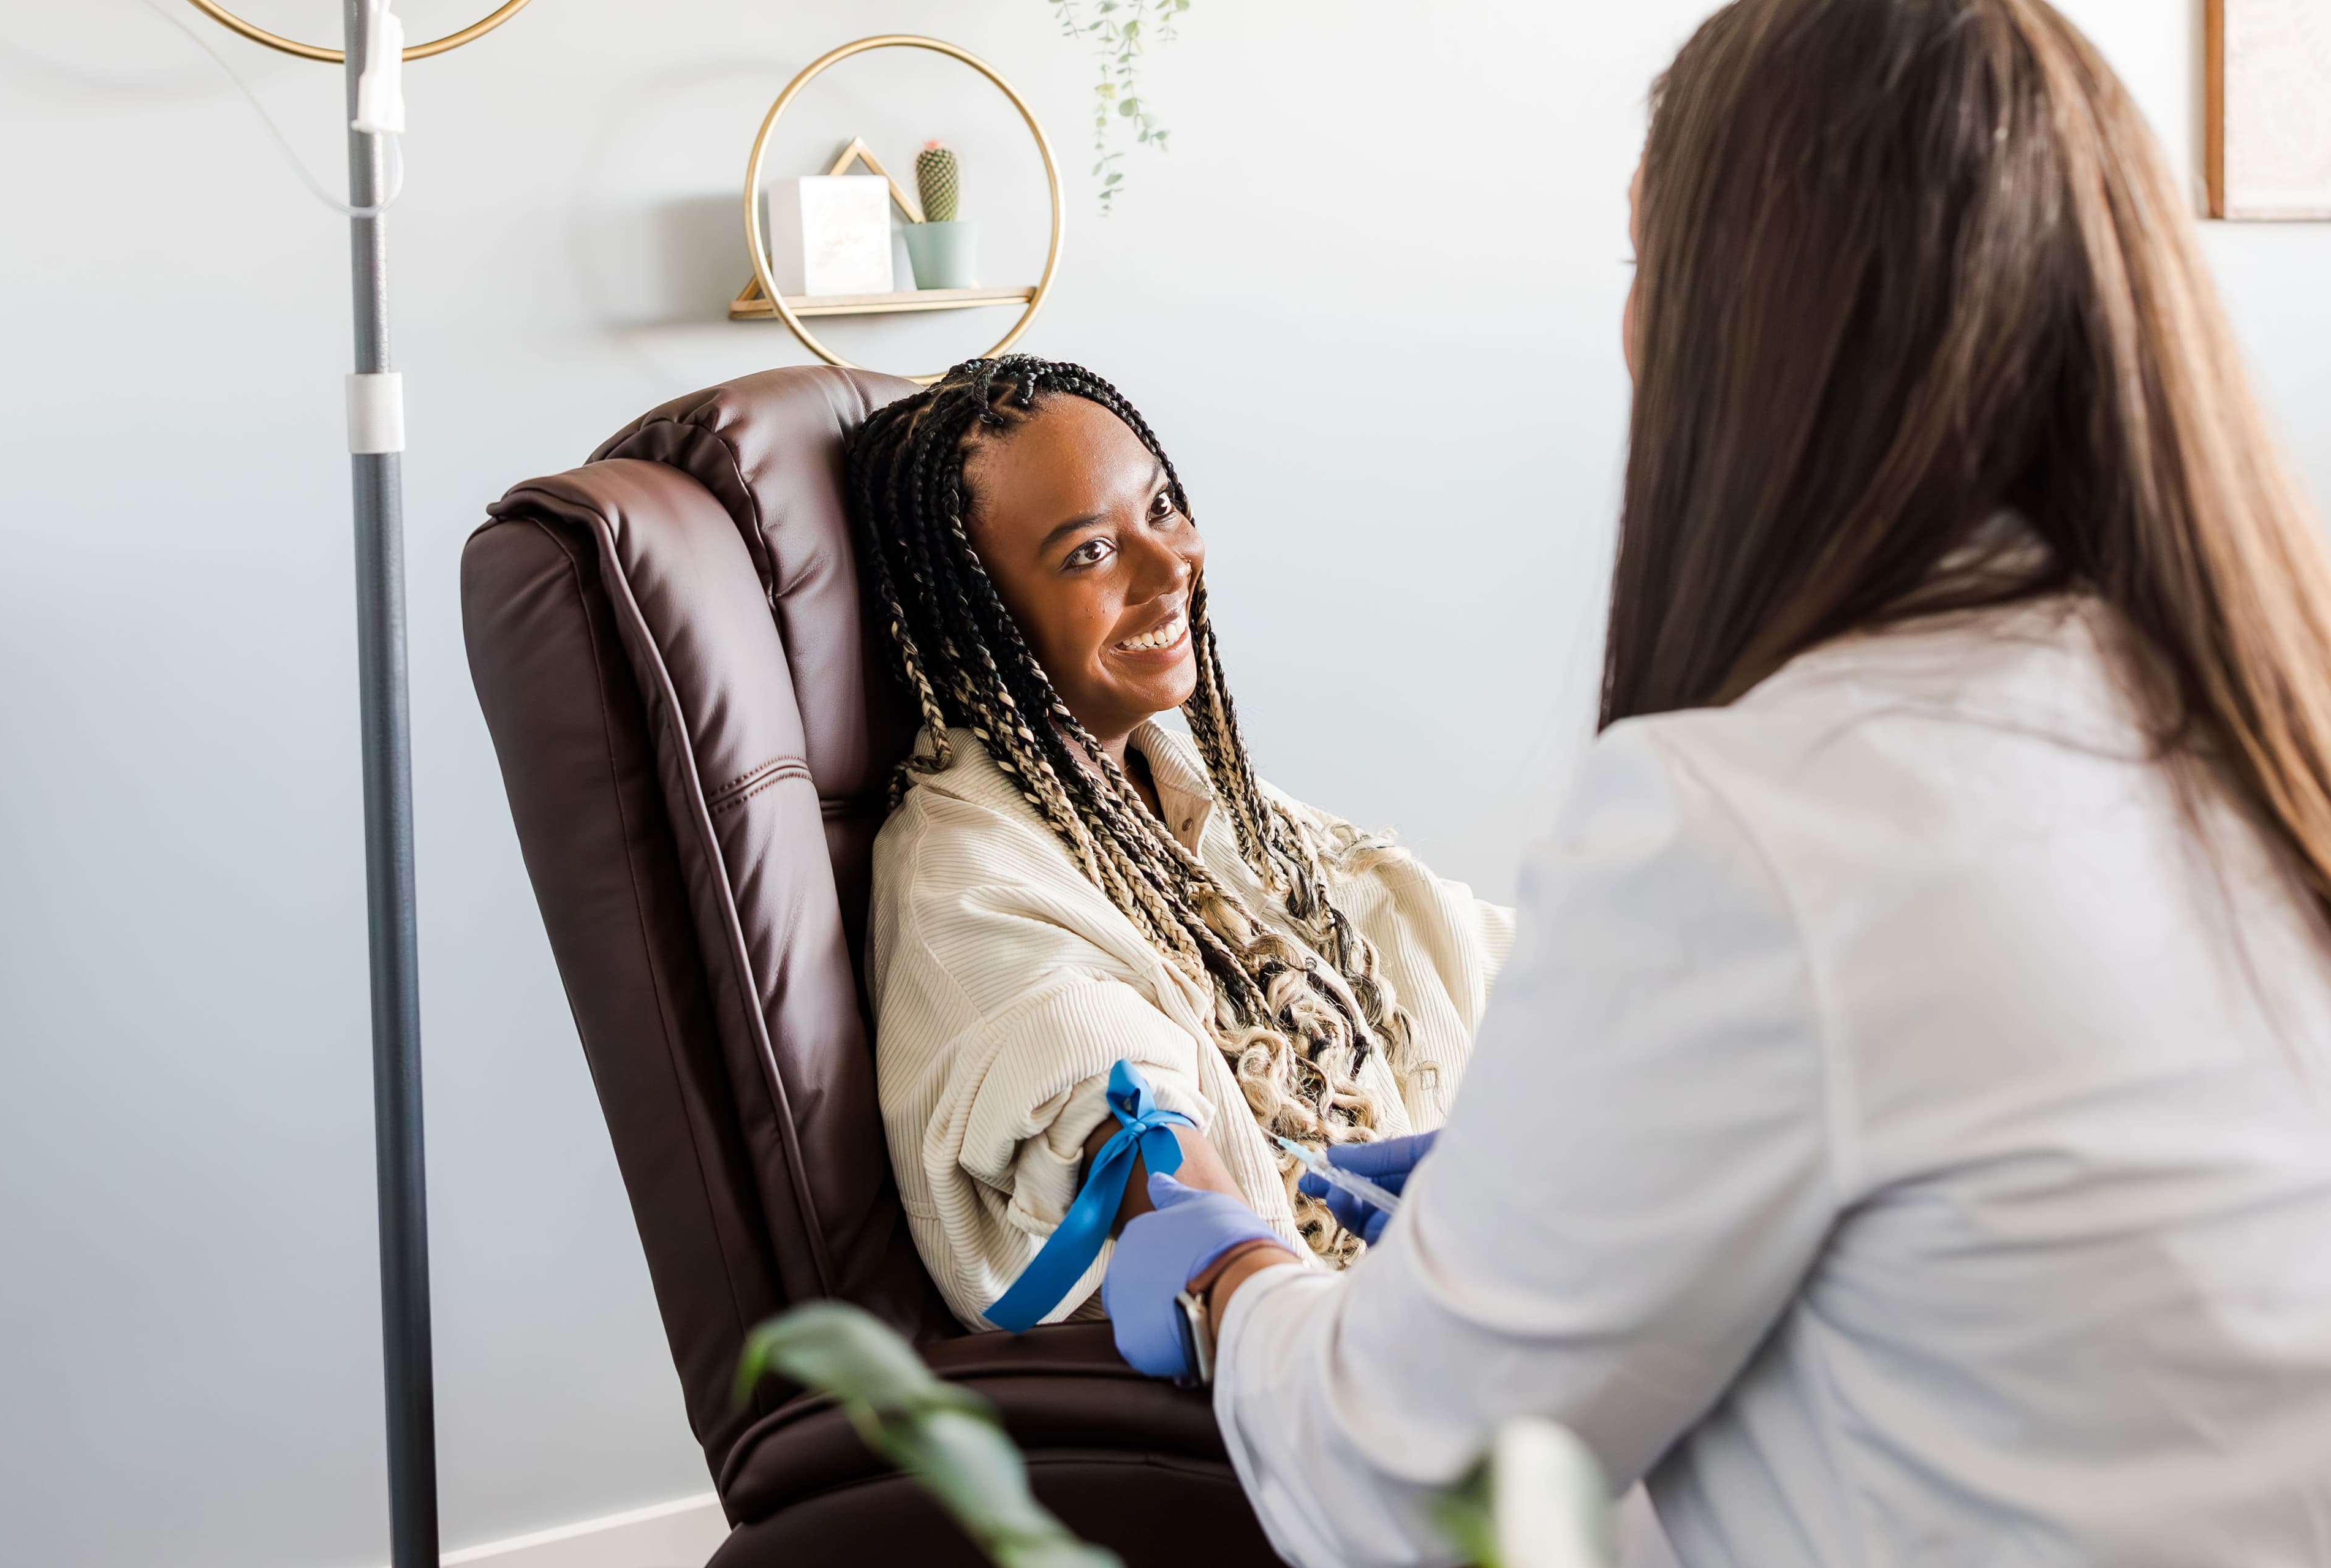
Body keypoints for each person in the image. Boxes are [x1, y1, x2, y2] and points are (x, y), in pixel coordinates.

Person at [1104, 1, 2331, 1562]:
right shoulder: (2269, 727)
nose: (1631, 332)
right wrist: (1534, 1217)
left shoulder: (1749, 825)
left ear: (1750, 323)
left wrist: (1236, 1272)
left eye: (1648, 268)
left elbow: (1405, 1486)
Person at [846, 357, 1515, 1331]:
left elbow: (1451, 941)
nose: (1172, 568)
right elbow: (1117, 1117)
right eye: (1088, 555)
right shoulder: (966, 882)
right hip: (1322, 1360)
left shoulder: (1184, 794)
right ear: (977, 613)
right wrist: (1248, 1278)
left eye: (1161, 508)